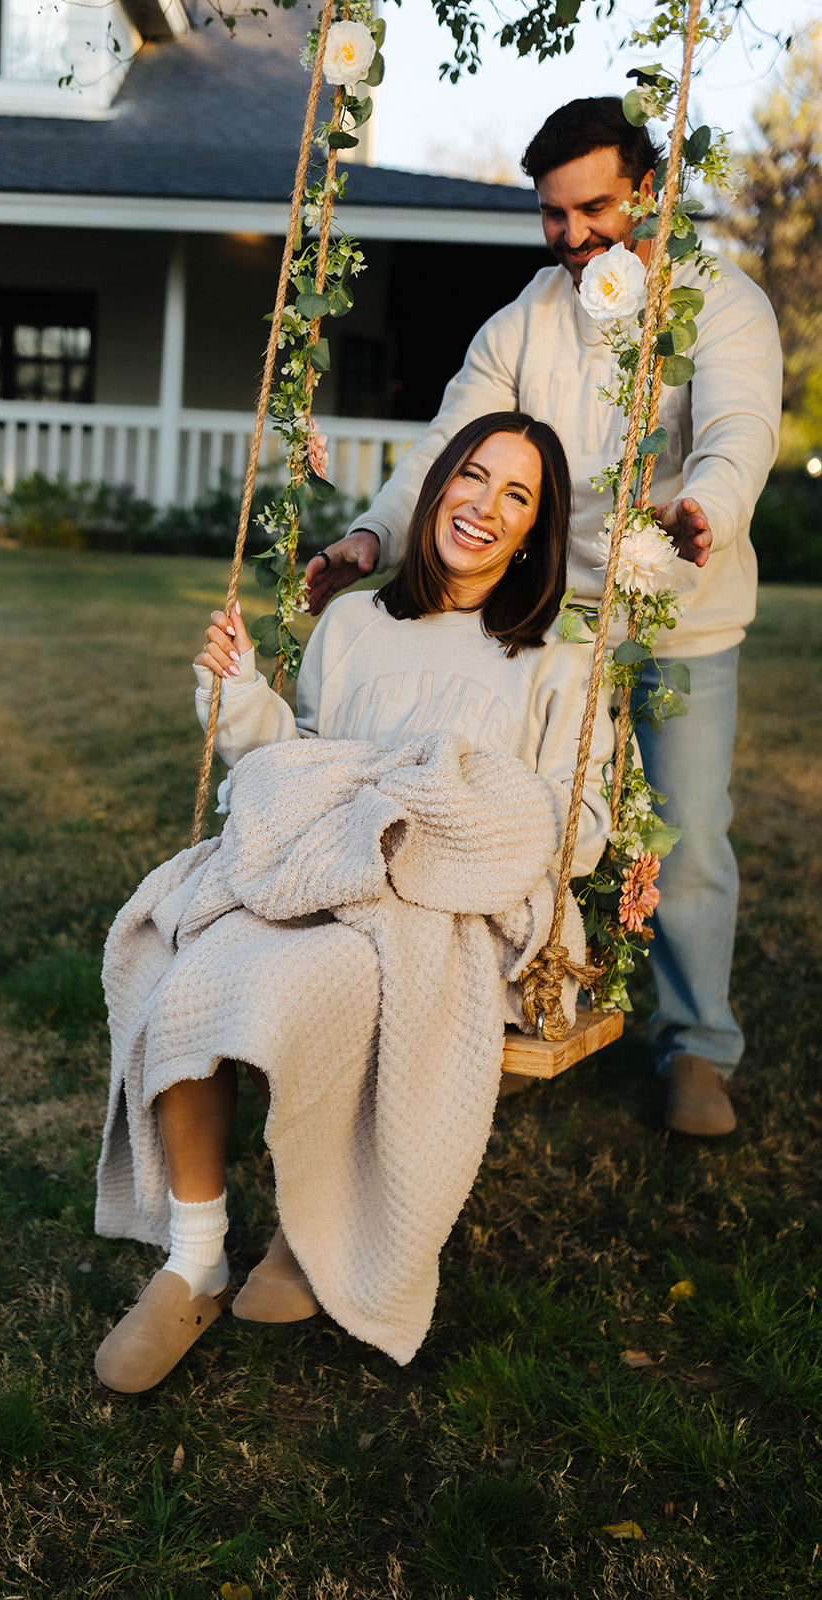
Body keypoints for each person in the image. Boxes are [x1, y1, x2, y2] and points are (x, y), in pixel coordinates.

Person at [92, 413, 613, 1393]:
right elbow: (301, 764)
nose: (484, 505)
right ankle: (194, 1260)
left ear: (535, 530)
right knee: (182, 974)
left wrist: (442, 804)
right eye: (472, 475)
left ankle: (313, 1232)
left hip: (437, 903)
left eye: (516, 495)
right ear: (437, 484)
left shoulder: (556, 659)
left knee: (311, 986)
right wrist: (241, 694)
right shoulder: (355, 622)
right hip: (314, 868)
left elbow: (575, 823)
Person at [305, 96, 783, 1139]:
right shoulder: (522, 320)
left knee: (687, 838)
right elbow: (449, 447)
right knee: (530, 821)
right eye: (552, 215)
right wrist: (370, 539)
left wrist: (704, 507)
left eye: (593, 209)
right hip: (548, 628)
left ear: (646, 192)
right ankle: (519, 1006)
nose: (572, 236)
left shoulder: (722, 302)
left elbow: (739, 427)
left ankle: (695, 1046)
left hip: (681, 620)